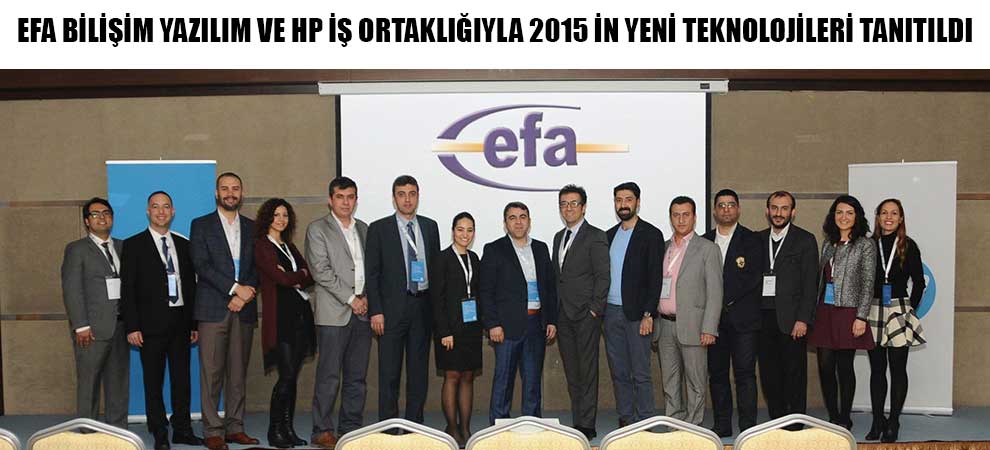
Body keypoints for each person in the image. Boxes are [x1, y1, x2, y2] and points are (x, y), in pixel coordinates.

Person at [120, 191, 202, 450]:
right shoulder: (133, 245)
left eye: (166, 207)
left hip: (181, 324)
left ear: (173, 211)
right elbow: (127, 289)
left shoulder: (184, 244)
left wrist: (194, 324)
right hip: (149, 327)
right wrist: (132, 326)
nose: (161, 212)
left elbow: (191, 287)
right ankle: (159, 431)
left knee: (182, 381)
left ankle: (183, 429)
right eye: (155, 207)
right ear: (148, 211)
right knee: (153, 383)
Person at [190, 172, 260, 450]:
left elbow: (258, 266)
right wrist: (234, 289)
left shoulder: (252, 227)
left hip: (244, 309)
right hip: (212, 308)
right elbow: (201, 264)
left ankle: (235, 427)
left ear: (242, 193)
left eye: (235, 188)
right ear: (216, 193)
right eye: (225, 188)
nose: (230, 193)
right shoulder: (201, 225)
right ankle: (212, 431)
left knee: (238, 373)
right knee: (212, 373)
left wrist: (245, 294)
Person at [365, 174, 441, 424]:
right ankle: (389, 427)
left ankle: (414, 425)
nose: (407, 199)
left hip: (422, 308)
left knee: (418, 373)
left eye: (412, 194)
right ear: (394, 198)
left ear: (418, 196)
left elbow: (436, 271)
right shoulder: (379, 228)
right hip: (390, 311)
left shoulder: (430, 227)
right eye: (401, 194)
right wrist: (376, 311)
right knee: (389, 373)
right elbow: (372, 274)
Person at [306, 177, 371, 449]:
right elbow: (320, 271)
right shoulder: (317, 229)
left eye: (351, 197)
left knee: (357, 377)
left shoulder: (364, 228)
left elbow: (371, 269)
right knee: (329, 376)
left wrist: (365, 299)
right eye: (340, 197)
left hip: (362, 313)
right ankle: (322, 430)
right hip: (333, 314)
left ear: (356, 200)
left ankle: (350, 428)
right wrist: (351, 299)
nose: (346, 202)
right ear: (330, 200)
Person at [480, 202, 557, 425]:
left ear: (529, 221)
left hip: (536, 324)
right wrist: (492, 324)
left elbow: (549, 288)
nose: (518, 222)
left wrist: (551, 320)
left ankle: (532, 428)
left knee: (533, 383)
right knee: (503, 382)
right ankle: (498, 430)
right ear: (505, 223)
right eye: (512, 218)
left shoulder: (541, 248)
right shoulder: (494, 249)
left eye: (522, 217)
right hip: (506, 327)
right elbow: (485, 291)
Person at [809, 195, 877, 430]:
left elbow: (868, 283)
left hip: (849, 312)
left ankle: (845, 417)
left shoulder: (865, 245)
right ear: (833, 216)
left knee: (844, 367)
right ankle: (833, 415)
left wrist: (861, 316)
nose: (843, 217)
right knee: (825, 367)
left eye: (849, 212)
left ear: (857, 217)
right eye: (839, 212)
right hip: (825, 311)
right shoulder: (828, 243)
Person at [60, 197, 129, 429]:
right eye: (96, 214)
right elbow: (72, 289)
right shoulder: (76, 249)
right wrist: (81, 325)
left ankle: (118, 432)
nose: (102, 217)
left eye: (107, 213)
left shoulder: (123, 247)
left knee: (118, 384)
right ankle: (87, 432)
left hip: (121, 326)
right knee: (89, 383)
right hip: (91, 329)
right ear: (87, 221)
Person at [654, 196, 722, 426]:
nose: (681, 219)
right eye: (676, 215)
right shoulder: (664, 248)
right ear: (670, 218)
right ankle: (674, 423)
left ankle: (693, 426)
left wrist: (709, 328)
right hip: (664, 325)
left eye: (685, 215)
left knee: (696, 382)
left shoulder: (708, 249)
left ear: (694, 217)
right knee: (669, 381)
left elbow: (715, 292)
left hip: (694, 326)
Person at [254, 198, 316, 448]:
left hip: (300, 316)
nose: (281, 219)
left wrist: (296, 275)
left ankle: (288, 429)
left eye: (285, 215)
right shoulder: (262, 246)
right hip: (280, 319)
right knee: (287, 375)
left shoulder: (288, 246)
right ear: (267, 217)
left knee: (293, 376)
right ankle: (274, 430)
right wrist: (297, 275)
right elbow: (280, 278)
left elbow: (309, 275)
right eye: (276, 215)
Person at [701, 189, 763, 437]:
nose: (726, 209)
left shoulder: (752, 240)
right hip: (713, 322)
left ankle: (747, 426)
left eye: (730, 205)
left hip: (743, 320)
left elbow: (753, 278)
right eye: (721, 205)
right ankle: (722, 424)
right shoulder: (704, 241)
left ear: (738, 209)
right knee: (717, 375)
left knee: (745, 375)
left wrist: (723, 299)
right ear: (714, 211)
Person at [866, 199, 926, 443]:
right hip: (873, 310)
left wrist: (910, 310)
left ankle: (893, 421)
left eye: (894, 213)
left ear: (901, 218)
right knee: (877, 369)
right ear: (877, 217)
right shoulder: (869, 245)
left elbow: (919, 282)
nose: (888, 217)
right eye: (884, 213)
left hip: (899, 309)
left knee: (898, 369)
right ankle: (877, 420)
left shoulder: (908, 245)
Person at [552, 184, 609, 439]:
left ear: (584, 207)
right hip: (563, 315)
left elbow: (603, 276)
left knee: (587, 371)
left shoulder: (596, 236)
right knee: (572, 372)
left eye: (574, 203)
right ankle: (578, 419)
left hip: (586, 314)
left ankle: (587, 424)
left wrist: (595, 310)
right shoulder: (558, 237)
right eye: (564, 204)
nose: (568, 208)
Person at [756, 191, 819, 425]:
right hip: (762, 319)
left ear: (793, 212)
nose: (778, 213)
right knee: (769, 374)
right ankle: (777, 420)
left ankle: (796, 422)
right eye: (774, 208)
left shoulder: (805, 240)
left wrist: (803, 319)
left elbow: (810, 284)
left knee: (794, 373)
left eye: (784, 208)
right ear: (767, 211)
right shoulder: (757, 239)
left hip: (792, 320)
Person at [603, 182, 663, 427]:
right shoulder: (608, 235)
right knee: (619, 371)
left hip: (638, 314)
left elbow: (655, 277)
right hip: (610, 313)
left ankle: (646, 420)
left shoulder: (651, 234)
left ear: (638, 202)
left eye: (628, 199)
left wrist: (649, 313)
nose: (623, 204)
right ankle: (626, 418)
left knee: (640, 372)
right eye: (619, 200)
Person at [431, 212, 483, 445]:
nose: (465, 234)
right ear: (453, 231)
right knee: (452, 376)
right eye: (460, 229)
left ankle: (466, 428)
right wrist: (444, 331)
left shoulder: (474, 258)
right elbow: (436, 299)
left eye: (469, 230)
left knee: (468, 376)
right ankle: (452, 428)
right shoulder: (441, 258)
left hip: (471, 328)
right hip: (449, 330)